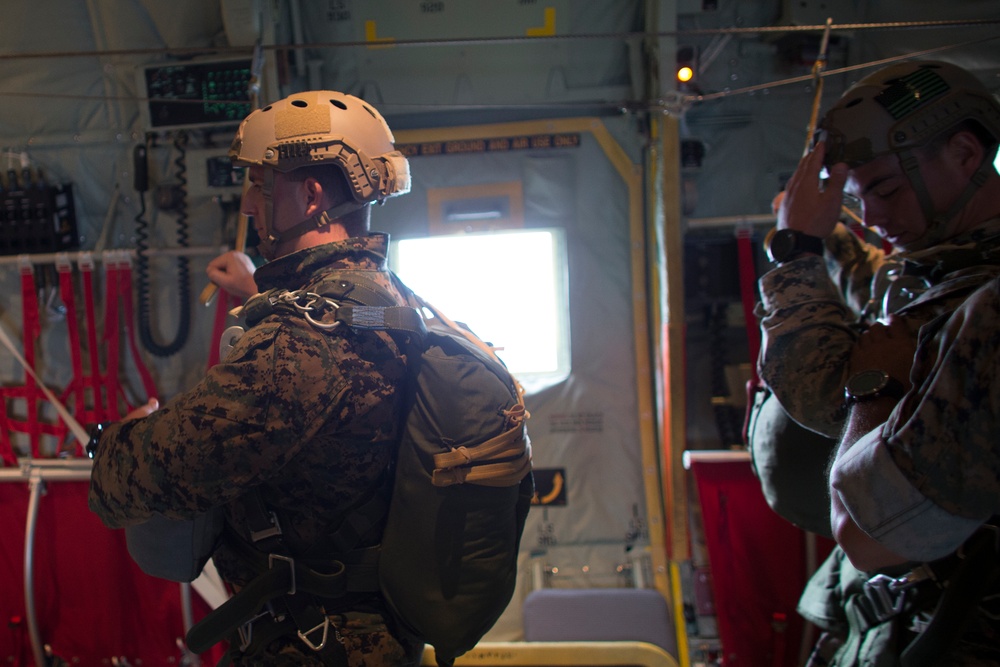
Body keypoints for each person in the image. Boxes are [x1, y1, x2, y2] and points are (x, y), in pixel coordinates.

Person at [88, 90, 422, 665]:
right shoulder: (384, 304)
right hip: (368, 629)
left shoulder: (302, 345)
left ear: (311, 196)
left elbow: (167, 469)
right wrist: (260, 292)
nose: (248, 203)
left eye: (262, 184)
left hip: (313, 645)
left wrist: (113, 446)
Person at [756, 60, 1000, 664]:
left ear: (966, 154)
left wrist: (797, 252)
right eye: (860, 197)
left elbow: (825, 389)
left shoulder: (984, 302)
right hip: (897, 624)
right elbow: (883, 287)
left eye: (885, 190)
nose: (873, 215)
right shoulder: (943, 271)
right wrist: (820, 232)